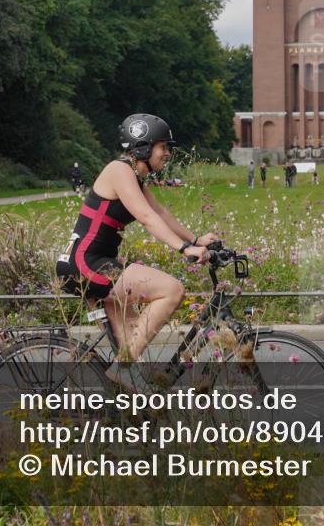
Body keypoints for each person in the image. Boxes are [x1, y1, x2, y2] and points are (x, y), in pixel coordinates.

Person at [56, 113, 216, 391]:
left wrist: (197, 238)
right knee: (172, 290)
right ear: (143, 147)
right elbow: (145, 217)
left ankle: (125, 412)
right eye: (163, 147)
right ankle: (123, 367)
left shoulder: (135, 177)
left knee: (134, 370)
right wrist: (184, 248)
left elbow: (160, 213)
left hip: (98, 263)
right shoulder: (119, 171)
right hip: (86, 263)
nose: (168, 153)